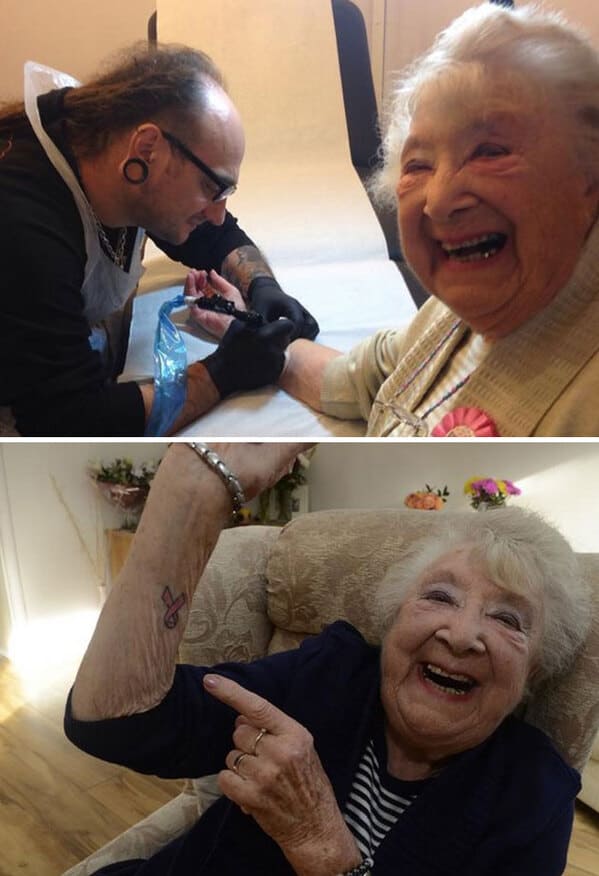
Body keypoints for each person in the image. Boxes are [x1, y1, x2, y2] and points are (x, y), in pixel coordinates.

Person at [64, 442, 591, 875]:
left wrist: (320, 844)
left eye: (507, 620)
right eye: (439, 597)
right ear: (394, 624)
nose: (461, 634)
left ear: (533, 672)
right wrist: (194, 486)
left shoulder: (534, 797)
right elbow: (117, 721)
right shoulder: (334, 671)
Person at [268, 2, 599, 437]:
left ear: (589, 176)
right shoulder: (446, 319)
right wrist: (255, 334)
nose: (439, 201)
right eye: (418, 166)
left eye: (490, 152)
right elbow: (351, 378)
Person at [0, 44, 318, 436]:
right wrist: (222, 372)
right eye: (211, 188)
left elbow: (214, 237)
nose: (217, 213)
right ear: (148, 148)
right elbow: (72, 423)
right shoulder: (24, 225)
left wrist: (262, 285)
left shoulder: (102, 146)